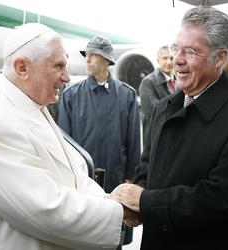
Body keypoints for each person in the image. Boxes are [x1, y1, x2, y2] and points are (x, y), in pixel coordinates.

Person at [109, 6, 228, 250]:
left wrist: (146, 203)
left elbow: (221, 198)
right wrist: (135, 195)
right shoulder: (165, 107)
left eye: (190, 51)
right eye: (176, 48)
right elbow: (148, 164)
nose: (177, 59)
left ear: (220, 57)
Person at [0, 23, 125, 250]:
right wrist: (119, 211)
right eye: (58, 66)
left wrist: (109, 200)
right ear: (23, 68)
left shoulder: (33, 103)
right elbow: (43, 208)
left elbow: (74, 173)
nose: (66, 77)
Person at [58, 35, 141, 248]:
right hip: (82, 181)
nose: (88, 59)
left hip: (116, 178)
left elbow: (133, 140)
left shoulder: (127, 95)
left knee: (114, 237)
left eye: (94, 55)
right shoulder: (71, 95)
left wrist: (131, 177)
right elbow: (64, 143)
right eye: (87, 55)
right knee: (83, 236)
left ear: (107, 60)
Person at [139, 45, 177, 145]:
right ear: (158, 60)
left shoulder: (179, 81)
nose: (169, 62)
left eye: (172, 58)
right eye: (165, 58)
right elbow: (154, 113)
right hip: (157, 139)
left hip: (175, 138)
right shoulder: (148, 82)